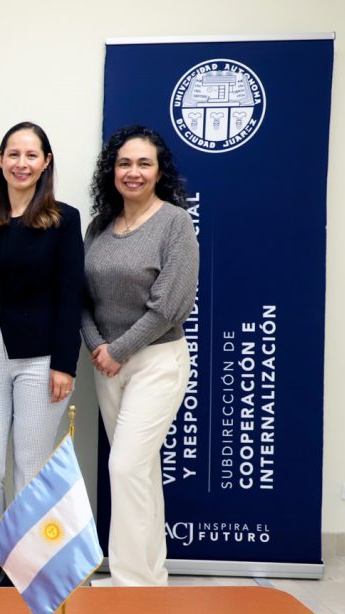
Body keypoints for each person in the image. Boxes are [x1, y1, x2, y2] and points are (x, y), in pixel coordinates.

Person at [0, 122, 84, 587]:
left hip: (41, 359)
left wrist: (65, 363)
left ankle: (25, 557)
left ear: (46, 162)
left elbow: (71, 296)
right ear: (0, 159)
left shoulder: (64, 220)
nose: (21, 163)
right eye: (13, 154)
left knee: (30, 465)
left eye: (31, 155)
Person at [82, 125, 198, 586]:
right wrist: (99, 347)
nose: (133, 172)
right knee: (140, 473)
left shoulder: (175, 223)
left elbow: (170, 306)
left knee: (126, 467)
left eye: (144, 163)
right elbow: (81, 298)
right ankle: (150, 579)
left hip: (156, 362)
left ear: (159, 171)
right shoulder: (99, 226)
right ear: (111, 171)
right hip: (107, 365)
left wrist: (120, 350)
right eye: (124, 163)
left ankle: (129, 584)